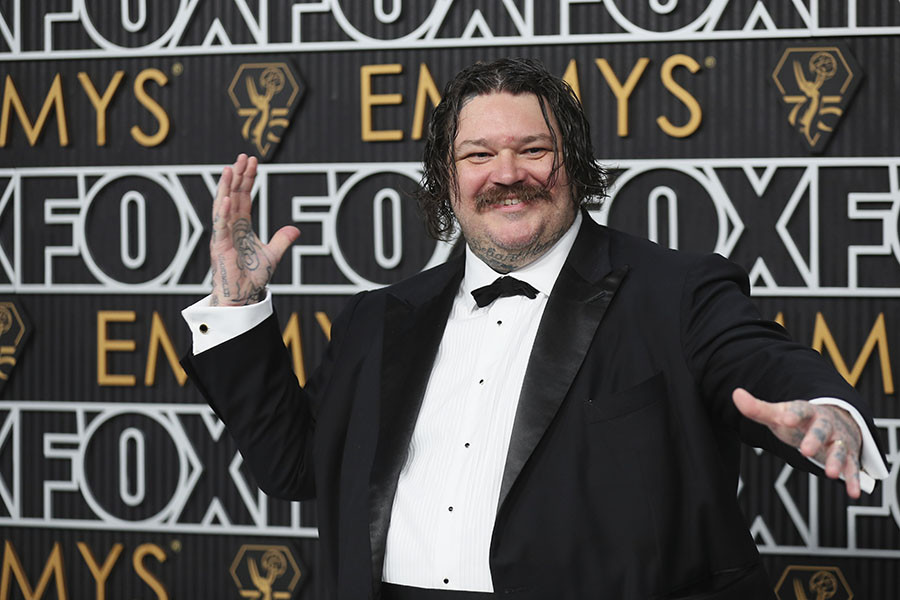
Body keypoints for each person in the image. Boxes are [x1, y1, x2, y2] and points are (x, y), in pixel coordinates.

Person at [182, 58, 886, 600]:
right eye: (477, 155)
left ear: (573, 163)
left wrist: (831, 418)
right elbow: (298, 466)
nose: (507, 174)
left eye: (533, 150)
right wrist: (239, 304)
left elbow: (762, 364)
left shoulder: (677, 292)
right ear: (446, 179)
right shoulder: (378, 317)